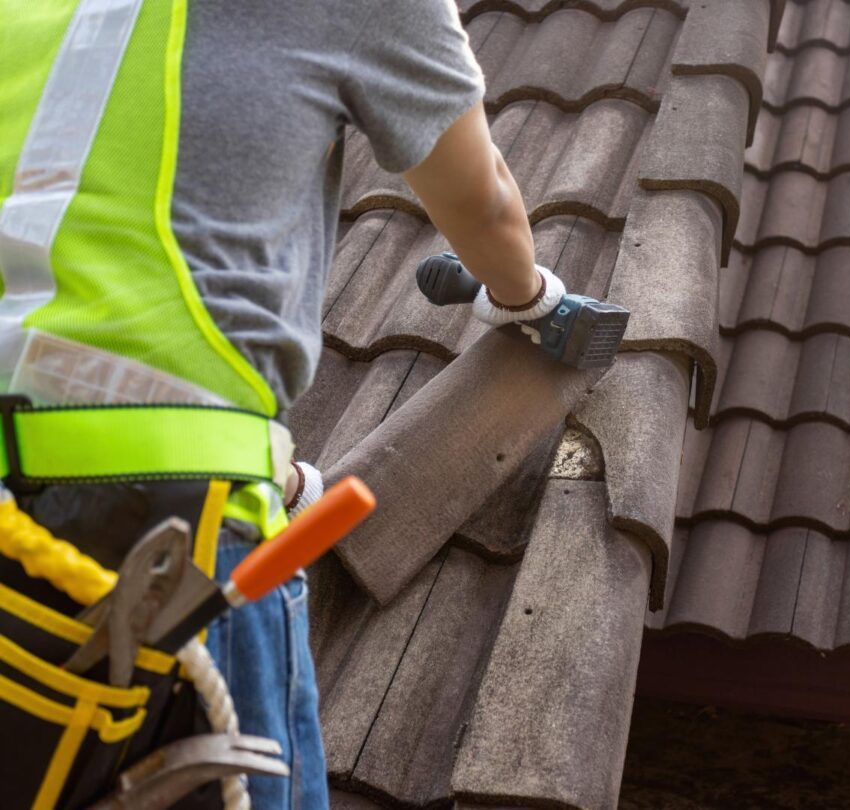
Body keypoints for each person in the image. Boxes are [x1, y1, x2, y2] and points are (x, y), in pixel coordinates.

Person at [0, 1, 599, 808]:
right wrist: (530, 299)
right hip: (169, 529)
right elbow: (483, 203)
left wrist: (273, 474)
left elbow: (79, 317)